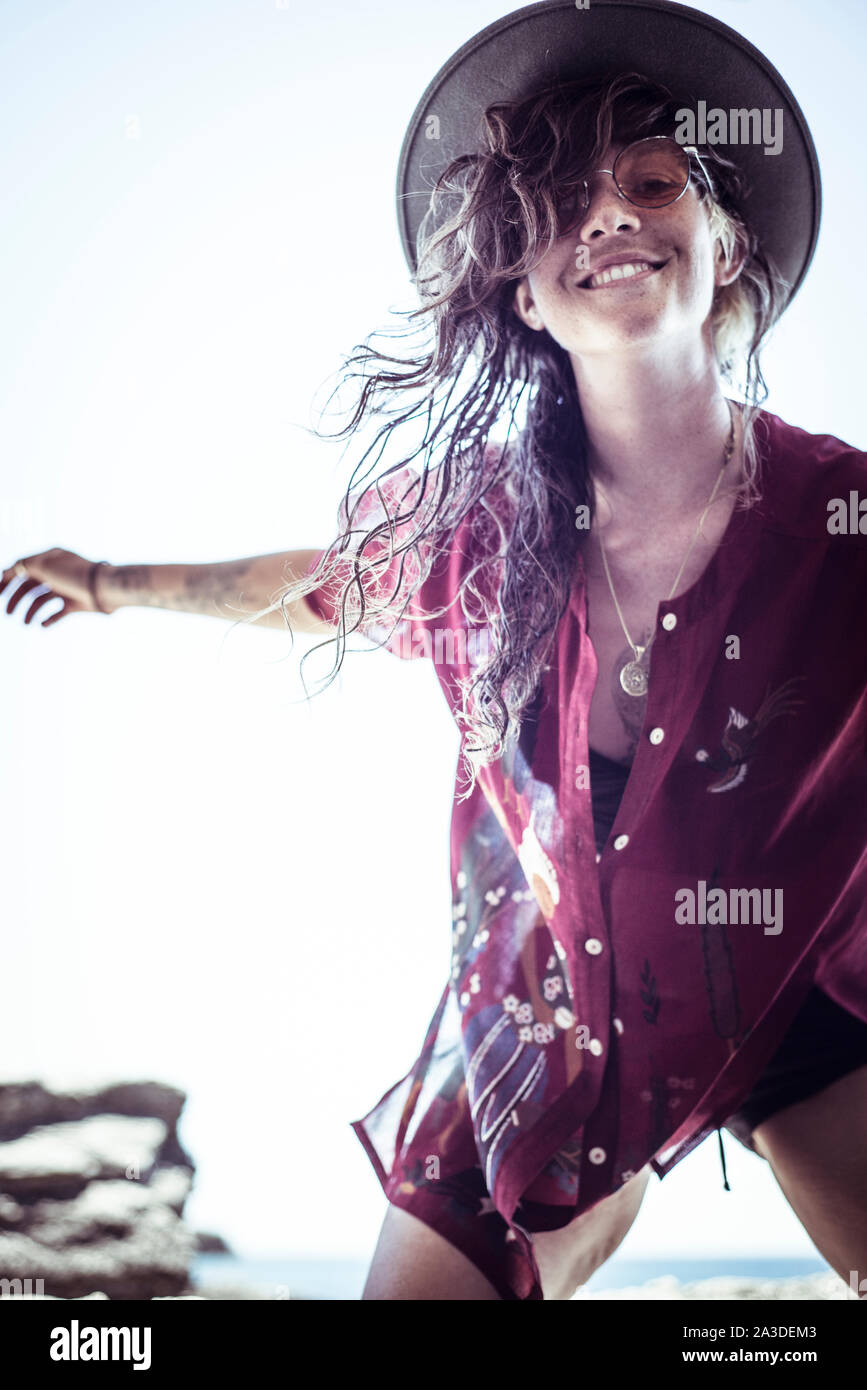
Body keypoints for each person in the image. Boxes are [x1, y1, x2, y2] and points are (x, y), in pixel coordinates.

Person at [4, 1, 867, 1300]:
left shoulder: (841, 519)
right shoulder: (485, 538)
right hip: (537, 1028)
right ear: (521, 284)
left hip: (799, 982)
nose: (615, 218)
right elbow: (321, 587)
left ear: (726, 241)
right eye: (567, 204)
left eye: (653, 185)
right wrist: (115, 584)